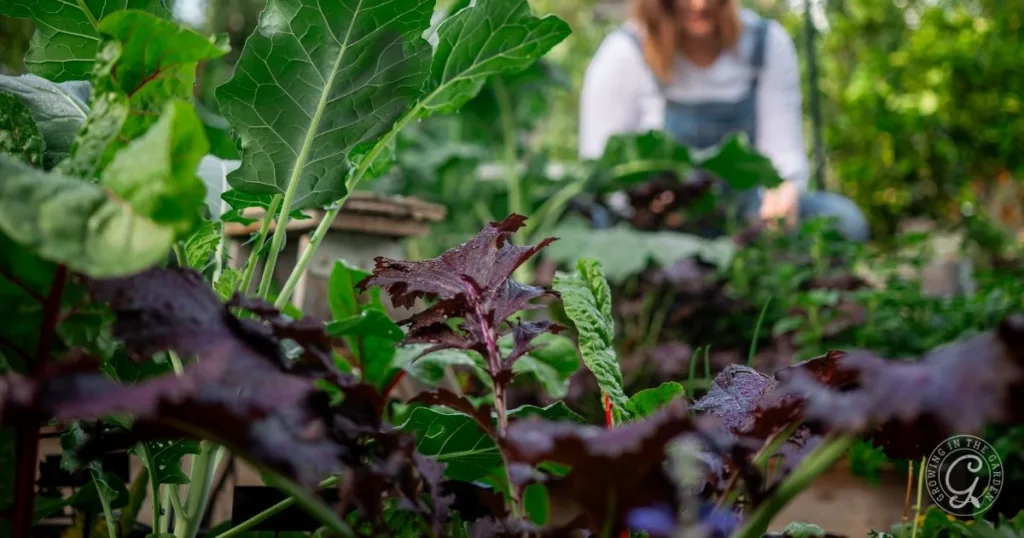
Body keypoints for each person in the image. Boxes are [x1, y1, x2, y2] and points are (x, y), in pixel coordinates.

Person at [579, 0, 869, 242]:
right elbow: (601, 173)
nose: (700, 4)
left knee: (845, 222)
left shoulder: (766, 43)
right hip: (659, 230)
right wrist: (644, 207)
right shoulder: (624, 54)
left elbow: (783, 154)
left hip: (747, 215)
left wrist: (784, 194)